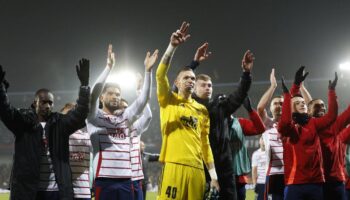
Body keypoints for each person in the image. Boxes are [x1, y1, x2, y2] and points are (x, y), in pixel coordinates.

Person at [0, 59, 90, 200]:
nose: (47, 106)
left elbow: (80, 115)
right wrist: (1, 89)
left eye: (50, 102)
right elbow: (6, 111)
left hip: (56, 192)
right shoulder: (23, 123)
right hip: (29, 193)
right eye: (43, 102)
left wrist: (84, 86)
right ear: (35, 103)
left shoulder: (60, 123)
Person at [156, 21, 219, 200]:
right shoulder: (167, 100)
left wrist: (213, 177)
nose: (191, 81)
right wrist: (171, 47)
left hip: (197, 170)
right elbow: (160, 75)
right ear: (176, 82)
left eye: (193, 78)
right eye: (186, 78)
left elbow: (205, 145)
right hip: (173, 166)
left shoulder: (202, 110)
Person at [86, 45, 157, 200]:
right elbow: (92, 95)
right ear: (102, 98)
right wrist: (109, 68)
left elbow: (143, 101)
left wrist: (148, 72)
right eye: (110, 93)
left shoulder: (125, 117)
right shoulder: (94, 118)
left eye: (118, 94)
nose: (115, 96)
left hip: (126, 180)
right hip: (104, 181)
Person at [192, 51, 254, 199]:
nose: (208, 88)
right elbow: (175, 91)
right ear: (194, 87)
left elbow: (238, 95)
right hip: (199, 167)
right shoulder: (188, 107)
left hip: (224, 168)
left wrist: (246, 73)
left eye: (210, 85)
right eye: (203, 85)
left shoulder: (220, 106)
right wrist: (194, 63)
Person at [278, 69, 338, 200]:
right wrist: (289, 94)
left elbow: (331, 116)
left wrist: (331, 91)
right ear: (290, 107)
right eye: (297, 103)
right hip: (295, 183)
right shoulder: (289, 127)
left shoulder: (313, 123)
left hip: (316, 182)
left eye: (303, 103)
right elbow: (284, 124)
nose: (302, 104)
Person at [61, 103, 92, 200]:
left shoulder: (87, 138)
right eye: (64, 117)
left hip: (82, 193)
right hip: (62, 193)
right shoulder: (56, 138)